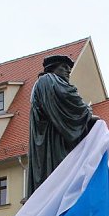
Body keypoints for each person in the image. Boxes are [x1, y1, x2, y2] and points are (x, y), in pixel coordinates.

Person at [27, 54, 99, 196]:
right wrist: (87, 113)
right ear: (52, 68)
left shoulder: (44, 84)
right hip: (52, 143)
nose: (68, 71)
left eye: (69, 69)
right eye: (64, 67)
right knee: (59, 180)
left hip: (57, 139)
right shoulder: (47, 80)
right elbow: (67, 97)